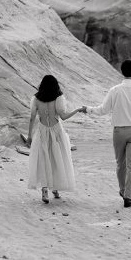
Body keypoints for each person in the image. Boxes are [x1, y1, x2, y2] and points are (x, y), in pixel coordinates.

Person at [83, 59, 131, 208]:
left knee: (120, 164)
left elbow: (103, 110)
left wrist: (88, 109)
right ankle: (129, 197)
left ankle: (122, 191)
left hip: (119, 132)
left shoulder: (114, 90)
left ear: (122, 72)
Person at [26, 75, 85, 203]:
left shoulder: (36, 99)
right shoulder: (58, 98)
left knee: (44, 159)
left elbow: (32, 118)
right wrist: (77, 109)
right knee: (57, 159)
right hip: (56, 131)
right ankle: (55, 188)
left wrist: (29, 135)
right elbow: (63, 116)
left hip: (42, 131)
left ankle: (46, 189)